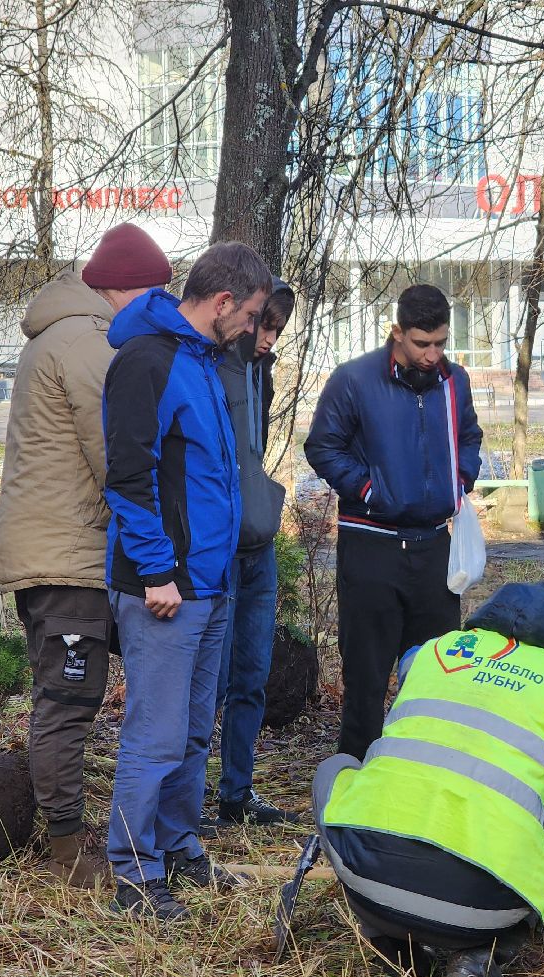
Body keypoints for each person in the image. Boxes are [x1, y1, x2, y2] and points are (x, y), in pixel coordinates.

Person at [312, 582, 544, 977]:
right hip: (487, 908)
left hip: (370, 885)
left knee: (335, 770)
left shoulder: (426, 656)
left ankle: (389, 939)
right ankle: (482, 952)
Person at [0, 223, 173, 889]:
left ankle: (71, 831)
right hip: (65, 556)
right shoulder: (87, 342)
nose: (161, 309)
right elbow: (118, 453)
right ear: (121, 289)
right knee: (68, 700)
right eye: (155, 294)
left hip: (64, 548)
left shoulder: (72, 333)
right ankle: (68, 851)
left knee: (71, 695)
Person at [103, 241, 271, 921]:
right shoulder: (150, 360)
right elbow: (128, 475)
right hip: (163, 588)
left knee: (194, 731)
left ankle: (177, 845)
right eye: (253, 314)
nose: (255, 329)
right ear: (225, 302)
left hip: (210, 584)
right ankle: (134, 876)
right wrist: (157, 572)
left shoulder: (205, 362)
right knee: (156, 734)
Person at [304, 283, 483, 761]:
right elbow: (322, 445)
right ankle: (356, 782)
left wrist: (460, 479)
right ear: (398, 333)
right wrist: (368, 490)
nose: (432, 355)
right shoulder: (355, 379)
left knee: (435, 674)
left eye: (441, 343)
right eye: (422, 344)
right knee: (366, 676)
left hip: (435, 548)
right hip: (372, 548)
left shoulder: (454, 381)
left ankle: (423, 776)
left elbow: (470, 436)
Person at [204, 280, 302, 830]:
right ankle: (190, 802)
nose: (268, 339)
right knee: (211, 682)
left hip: (257, 543)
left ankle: (236, 793)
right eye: (263, 325)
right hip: (219, 546)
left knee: (252, 675)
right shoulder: (206, 363)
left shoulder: (257, 370)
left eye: (277, 331)